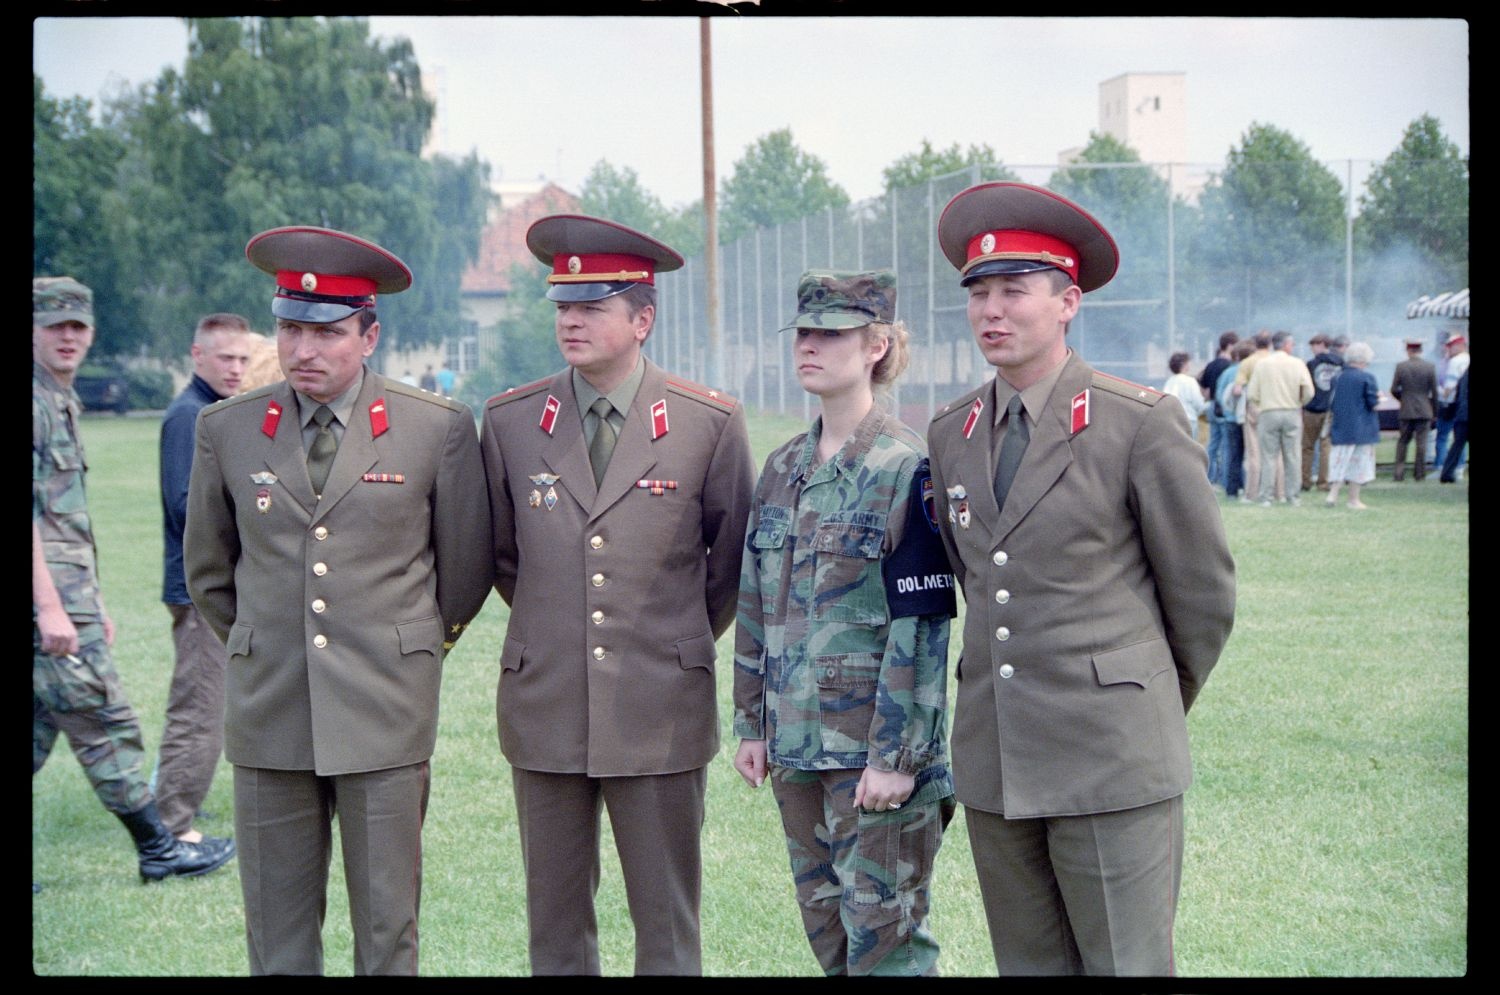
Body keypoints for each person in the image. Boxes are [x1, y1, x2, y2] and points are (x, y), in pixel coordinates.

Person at [926, 183, 1236, 976]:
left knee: (1125, 965)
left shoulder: (1137, 422)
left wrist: (1135, 700)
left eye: (1014, 291)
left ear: (1068, 302)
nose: (992, 310)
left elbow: (1202, 597)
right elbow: (977, 579)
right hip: (998, 760)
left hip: (1110, 759)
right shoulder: (952, 432)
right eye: (979, 292)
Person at [184, 226, 494, 975]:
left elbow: (465, 569)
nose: (302, 350)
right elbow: (209, 572)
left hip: (384, 712)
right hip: (271, 713)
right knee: (278, 936)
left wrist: (402, 645)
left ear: (370, 335)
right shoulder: (225, 429)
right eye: (290, 328)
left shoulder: (435, 428)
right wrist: (268, 641)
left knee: (388, 933)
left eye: (325, 332)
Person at [480, 214, 756, 976]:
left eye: (592, 305)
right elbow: (506, 557)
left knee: (667, 924)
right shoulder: (509, 422)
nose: (571, 319)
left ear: (642, 318)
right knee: (556, 927)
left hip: (658, 708)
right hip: (547, 705)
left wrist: (670, 640)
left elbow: (727, 564)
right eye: (563, 305)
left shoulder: (708, 422)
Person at [732, 270, 957, 976]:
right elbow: (754, 604)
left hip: (871, 759)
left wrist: (897, 757)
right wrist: (751, 724)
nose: (809, 346)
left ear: (876, 346)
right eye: (803, 332)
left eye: (830, 334)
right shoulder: (782, 468)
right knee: (830, 938)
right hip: (795, 750)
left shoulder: (907, 465)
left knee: (886, 946)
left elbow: (921, 625)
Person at [33, 276, 236, 884]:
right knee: (105, 718)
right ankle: (160, 846)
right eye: (54, 325)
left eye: (78, 326)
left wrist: (85, 601)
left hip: (66, 595)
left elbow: (59, 514)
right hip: (49, 600)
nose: (69, 337)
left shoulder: (56, 398)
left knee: (39, 727)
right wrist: (51, 608)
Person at [156, 313, 253, 846]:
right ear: (198, 356)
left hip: (210, 586)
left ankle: (170, 804)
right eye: (225, 359)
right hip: (197, 590)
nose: (236, 369)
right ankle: (172, 826)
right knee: (199, 708)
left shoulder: (212, 412)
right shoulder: (187, 416)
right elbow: (185, 506)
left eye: (243, 358)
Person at [1247, 330, 1314, 506]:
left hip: (1269, 412)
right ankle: (1293, 496)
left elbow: (1252, 393)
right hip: (1292, 411)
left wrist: (1262, 404)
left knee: (1268, 456)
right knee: (1293, 456)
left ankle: (1266, 496)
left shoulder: (1262, 364)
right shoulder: (1297, 363)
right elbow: (1309, 390)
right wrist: (1300, 401)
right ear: (1286, 345)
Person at [1324, 341, 1381, 510]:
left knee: (1339, 461)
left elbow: (1332, 401)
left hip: (1341, 425)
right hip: (1362, 427)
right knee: (1359, 463)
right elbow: (1373, 402)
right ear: (1364, 360)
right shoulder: (1367, 378)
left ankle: (1332, 494)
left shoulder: (1337, 377)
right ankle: (1353, 499)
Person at [1390, 337, 1438, 482]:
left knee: (1403, 442)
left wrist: (1403, 399)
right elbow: (1435, 392)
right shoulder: (1430, 367)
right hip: (1424, 409)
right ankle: (1419, 474)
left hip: (1406, 410)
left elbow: (1393, 389)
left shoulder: (1401, 366)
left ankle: (1398, 473)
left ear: (1408, 351)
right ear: (1421, 351)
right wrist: (1434, 411)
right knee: (1421, 443)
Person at [1301, 332, 1344, 492]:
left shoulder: (1311, 364)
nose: (1312, 348)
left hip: (1312, 409)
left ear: (1320, 344)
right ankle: (1324, 482)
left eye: (1313, 345)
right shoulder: (1340, 363)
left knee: (1307, 447)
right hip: (1331, 409)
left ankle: (1305, 481)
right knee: (1326, 448)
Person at [1216, 340, 1257, 501]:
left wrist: (1228, 409)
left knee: (1233, 455)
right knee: (1254, 455)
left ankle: (1232, 490)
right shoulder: (1255, 371)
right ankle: (1251, 487)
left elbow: (1220, 395)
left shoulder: (1228, 373)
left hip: (1231, 419)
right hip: (1250, 418)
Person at [1199, 331, 1239, 489]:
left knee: (1213, 445)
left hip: (1212, 407)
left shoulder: (1211, 364)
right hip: (1225, 410)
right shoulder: (1230, 367)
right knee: (1227, 446)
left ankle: (1207, 477)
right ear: (1230, 346)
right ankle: (1225, 480)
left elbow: (1204, 388)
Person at [1433, 331, 1469, 475]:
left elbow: (1448, 388)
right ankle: (1460, 466)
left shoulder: (1455, 361)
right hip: (1462, 404)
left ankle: (1442, 466)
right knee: (1460, 437)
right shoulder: (1466, 359)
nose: (1448, 349)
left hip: (1450, 404)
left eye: (1451, 346)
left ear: (1460, 346)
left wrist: (1436, 389)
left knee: (1443, 437)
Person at [1162, 350, 1208, 436]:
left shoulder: (1169, 382)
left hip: (1173, 420)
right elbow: (1198, 403)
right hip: (1189, 419)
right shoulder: (1190, 381)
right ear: (1184, 365)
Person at [1439, 365, 1469, 484]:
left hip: (1461, 415)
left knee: (1457, 446)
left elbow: (1457, 396)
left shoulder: (1463, 377)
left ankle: (1447, 473)